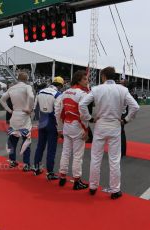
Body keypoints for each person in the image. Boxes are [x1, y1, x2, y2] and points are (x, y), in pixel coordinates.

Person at [79, 66, 139, 199]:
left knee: (95, 158)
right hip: (115, 125)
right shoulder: (122, 89)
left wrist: (90, 118)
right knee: (114, 159)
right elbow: (135, 106)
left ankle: (93, 187)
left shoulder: (97, 89)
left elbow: (82, 104)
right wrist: (126, 120)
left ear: (104, 76)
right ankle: (115, 190)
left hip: (100, 125)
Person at [55, 71, 90, 190]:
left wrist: (59, 128)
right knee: (77, 155)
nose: (87, 81)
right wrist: (86, 129)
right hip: (77, 126)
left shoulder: (64, 93)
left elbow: (59, 112)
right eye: (85, 79)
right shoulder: (82, 94)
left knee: (65, 152)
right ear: (79, 80)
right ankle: (77, 181)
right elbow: (84, 114)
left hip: (66, 125)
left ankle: (62, 177)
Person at [0, 72, 34, 171]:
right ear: (26, 79)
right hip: (24, 116)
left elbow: (1, 100)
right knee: (26, 140)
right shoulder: (27, 87)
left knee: (12, 140)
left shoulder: (12, 88)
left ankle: (12, 161)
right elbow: (31, 97)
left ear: (18, 78)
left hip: (14, 115)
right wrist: (29, 109)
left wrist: (9, 110)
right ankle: (26, 164)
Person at [32, 76, 64, 180]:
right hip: (51, 122)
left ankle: (36, 168)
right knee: (51, 148)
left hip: (42, 120)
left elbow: (35, 108)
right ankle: (50, 173)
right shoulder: (58, 94)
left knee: (40, 145)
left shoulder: (40, 91)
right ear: (60, 86)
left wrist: (37, 122)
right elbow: (57, 113)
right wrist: (60, 129)